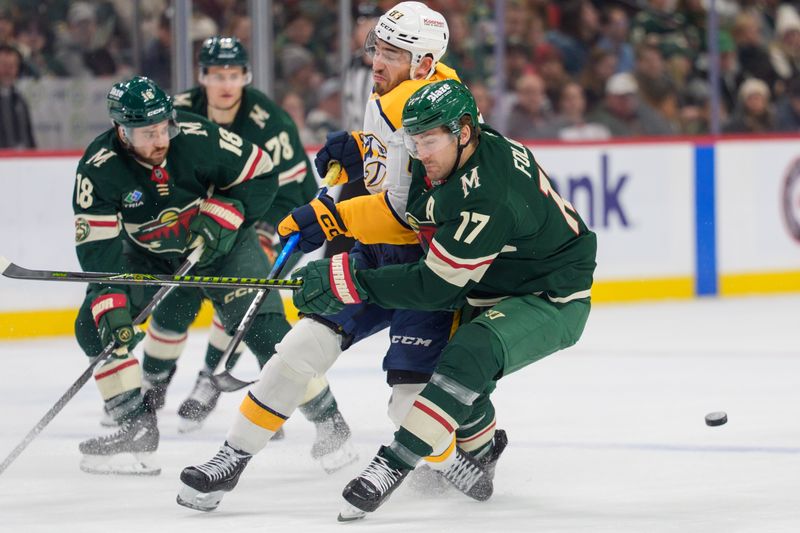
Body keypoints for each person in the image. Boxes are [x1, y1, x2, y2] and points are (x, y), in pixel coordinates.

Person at [176, 2, 493, 513]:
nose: (376, 60)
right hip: (377, 255)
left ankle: (459, 452)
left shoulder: (438, 111)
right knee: (297, 351)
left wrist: (328, 218)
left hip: (425, 269)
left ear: (425, 62)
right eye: (377, 48)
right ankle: (230, 459)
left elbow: (407, 213)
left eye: (392, 52)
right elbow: (388, 165)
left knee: (408, 402)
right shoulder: (393, 92)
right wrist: (361, 148)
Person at [292, 79, 597, 520]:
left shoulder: (489, 193)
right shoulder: (444, 154)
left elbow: (437, 287)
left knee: (468, 355)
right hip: (487, 278)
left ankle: (390, 466)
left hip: (550, 293)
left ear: (465, 131)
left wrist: (348, 278)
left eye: (430, 140)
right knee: (447, 379)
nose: (421, 153)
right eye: (414, 141)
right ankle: (484, 449)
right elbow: (406, 209)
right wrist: (365, 154)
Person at [143, 38, 350, 465]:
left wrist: (265, 231)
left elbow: (294, 190)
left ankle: (211, 378)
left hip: (261, 221)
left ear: (246, 78)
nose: (225, 84)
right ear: (202, 76)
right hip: (198, 225)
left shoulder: (270, 122)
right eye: (217, 75)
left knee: (250, 309)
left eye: (233, 76)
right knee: (173, 306)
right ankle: (152, 390)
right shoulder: (176, 112)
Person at [72, 76, 283, 475]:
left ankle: (326, 425)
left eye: (163, 128)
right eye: (147, 133)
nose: (160, 140)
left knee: (265, 327)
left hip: (215, 249)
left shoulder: (195, 135)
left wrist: (231, 212)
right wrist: (110, 300)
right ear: (121, 130)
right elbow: (99, 248)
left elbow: (261, 173)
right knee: (92, 324)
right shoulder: (99, 167)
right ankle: (135, 430)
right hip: (146, 258)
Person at [0, 44, 35, 149]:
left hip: (20, 161)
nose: (8, 71)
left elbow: (28, 136)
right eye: (3, 65)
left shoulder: (20, 100)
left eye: (12, 66)